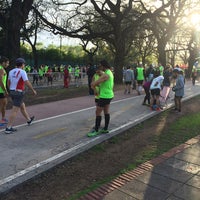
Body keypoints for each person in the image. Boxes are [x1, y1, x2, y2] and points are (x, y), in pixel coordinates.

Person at [5, 58, 37, 134]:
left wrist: (11, 90)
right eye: (24, 64)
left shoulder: (11, 71)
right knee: (15, 110)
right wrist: (33, 90)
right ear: (22, 64)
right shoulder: (22, 72)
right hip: (19, 92)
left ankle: (29, 120)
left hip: (12, 92)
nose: (24, 65)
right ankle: (8, 128)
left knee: (22, 106)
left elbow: (8, 82)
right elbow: (26, 82)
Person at [87, 60, 114, 137]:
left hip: (104, 96)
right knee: (106, 111)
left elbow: (95, 83)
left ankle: (96, 130)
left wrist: (93, 84)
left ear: (103, 66)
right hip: (109, 95)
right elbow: (101, 83)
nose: (99, 67)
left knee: (98, 112)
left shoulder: (106, 75)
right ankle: (105, 128)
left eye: (100, 66)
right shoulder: (109, 72)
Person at [0, 56, 9, 124]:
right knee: (3, 104)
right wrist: (5, 91)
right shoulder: (1, 69)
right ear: (3, 63)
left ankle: (3, 118)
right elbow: (0, 81)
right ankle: (2, 119)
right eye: (7, 63)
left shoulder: (2, 69)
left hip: (1, 90)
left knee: (4, 104)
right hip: (1, 91)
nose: (8, 65)